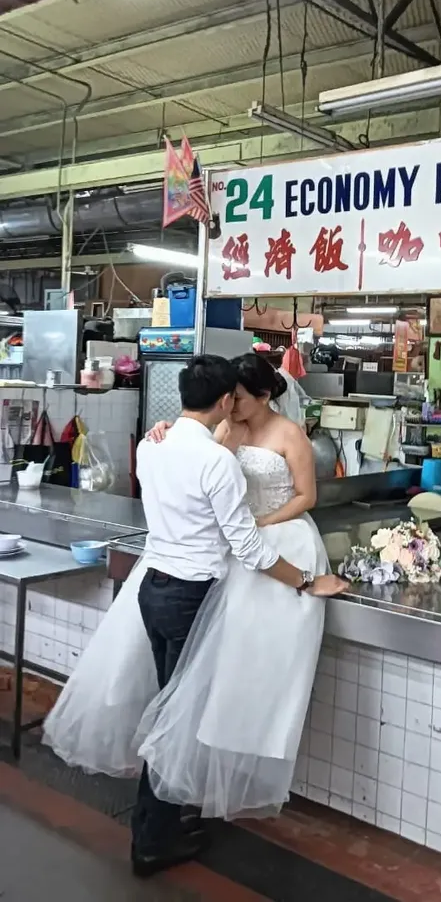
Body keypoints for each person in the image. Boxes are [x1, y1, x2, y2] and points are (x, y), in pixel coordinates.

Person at [43, 354, 346, 879]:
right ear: (226, 399)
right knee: (175, 713)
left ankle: (165, 815)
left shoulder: (153, 443)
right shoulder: (216, 457)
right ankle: (153, 837)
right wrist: (304, 580)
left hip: (155, 585)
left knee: (171, 704)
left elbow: (293, 498)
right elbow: (246, 547)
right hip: (192, 591)